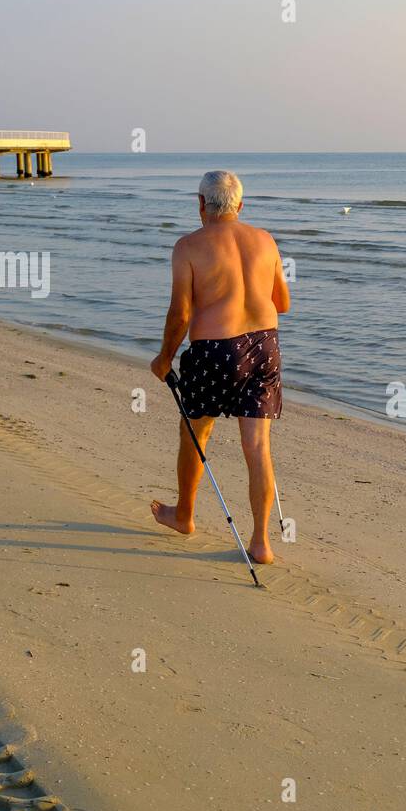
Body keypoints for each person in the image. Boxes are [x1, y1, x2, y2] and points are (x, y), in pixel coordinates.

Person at [149, 170, 290, 563]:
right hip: (265, 344)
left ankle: (184, 515)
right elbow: (283, 302)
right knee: (257, 444)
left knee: (196, 431)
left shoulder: (188, 246)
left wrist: (164, 358)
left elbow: (181, 314)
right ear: (240, 206)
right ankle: (261, 543)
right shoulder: (265, 240)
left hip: (215, 349)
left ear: (200, 205)